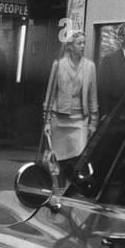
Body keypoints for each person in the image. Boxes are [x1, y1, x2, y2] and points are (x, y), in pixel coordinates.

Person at [42, 29, 98, 181]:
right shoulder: (58, 65)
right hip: (59, 119)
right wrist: (46, 121)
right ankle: (57, 188)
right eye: (79, 43)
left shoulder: (90, 67)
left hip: (80, 119)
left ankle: (72, 188)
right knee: (58, 159)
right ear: (70, 46)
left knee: (79, 157)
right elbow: (50, 95)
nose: (82, 46)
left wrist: (93, 122)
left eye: (84, 43)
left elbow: (93, 97)